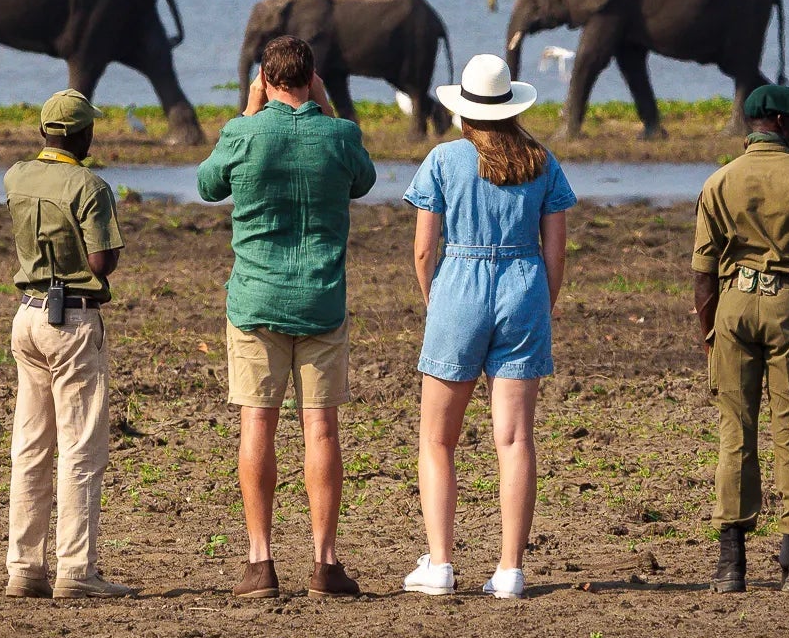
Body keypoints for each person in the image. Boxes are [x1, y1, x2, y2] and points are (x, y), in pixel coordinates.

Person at [197, 35, 378, 599]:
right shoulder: (340, 134)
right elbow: (364, 180)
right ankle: (324, 563)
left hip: (256, 300)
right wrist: (327, 110)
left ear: (264, 78)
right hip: (320, 298)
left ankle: (260, 561)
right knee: (320, 428)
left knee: (258, 424)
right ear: (313, 77)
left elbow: (207, 185)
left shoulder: (243, 132)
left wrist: (249, 113)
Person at [401, 54, 574, 600]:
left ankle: (441, 563)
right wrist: (541, 305)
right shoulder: (542, 161)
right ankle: (509, 570)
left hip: (459, 287)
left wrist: (437, 301)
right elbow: (556, 254)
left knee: (437, 438)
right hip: (524, 285)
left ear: (465, 112)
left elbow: (425, 249)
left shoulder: (444, 159)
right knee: (516, 437)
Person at [690, 83, 789, 595]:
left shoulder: (718, 182)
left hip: (733, 306)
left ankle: (730, 565)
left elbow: (703, 275)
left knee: (736, 433)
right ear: (779, 122)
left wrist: (710, 332)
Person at [1, 89, 136, 600]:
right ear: (83, 134)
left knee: (30, 447)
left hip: (28, 315)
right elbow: (102, 263)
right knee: (80, 448)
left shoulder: (16, 176)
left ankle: (24, 569)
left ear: (43, 132)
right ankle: (76, 570)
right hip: (74, 320)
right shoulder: (90, 185)